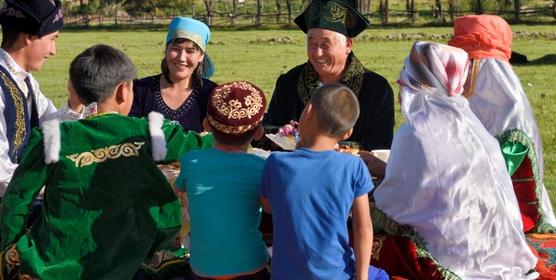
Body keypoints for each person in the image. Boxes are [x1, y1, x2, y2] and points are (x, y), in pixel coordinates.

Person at [0, 45, 216, 280]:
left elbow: (17, 198)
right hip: (137, 257)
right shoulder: (149, 131)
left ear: (77, 92)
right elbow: (204, 145)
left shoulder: (51, 137)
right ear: (124, 91)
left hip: (60, 264)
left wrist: (12, 252)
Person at [371, 41, 539, 280]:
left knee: (362, 239)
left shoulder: (416, 133)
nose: (399, 89)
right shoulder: (471, 126)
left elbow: (393, 206)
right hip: (496, 249)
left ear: (415, 85)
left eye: (404, 80)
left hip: (451, 258)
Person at [0, 0, 83, 261]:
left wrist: (75, 104)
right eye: (52, 40)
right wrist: (50, 184)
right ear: (30, 36)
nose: (54, 51)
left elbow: (52, 129)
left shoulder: (25, 80)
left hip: (17, 207)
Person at [259, 83, 388, 280]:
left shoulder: (276, 164)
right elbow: (363, 227)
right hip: (336, 273)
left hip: (285, 274)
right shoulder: (353, 166)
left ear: (308, 111)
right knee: (382, 276)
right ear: (347, 133)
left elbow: (268, 208)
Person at [448, 15, 556, 233]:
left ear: (485, 67)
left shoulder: (512, 110)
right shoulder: (462, 100)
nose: (460, 69)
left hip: (506, 206)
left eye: (467, 62)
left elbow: (501, 170)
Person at [262, 0, 394, 151]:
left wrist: (322, 145)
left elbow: (380, 144)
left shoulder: (376, 88)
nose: (317, 53)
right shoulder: (289, 82)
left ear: (348, 45)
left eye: (326, 45)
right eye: (312, 44)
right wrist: (283, 137)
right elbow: (265, 135)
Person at [174, 81, 270, 280]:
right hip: (250, 267)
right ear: (259, 131)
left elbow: (179, 189)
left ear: (206, 126)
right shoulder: (261, 168)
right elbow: (270, 208)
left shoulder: (191, 161)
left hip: (201, 269)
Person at [130, 17, 218, 133]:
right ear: (166, 50)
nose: (181, 58)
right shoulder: (140, 90)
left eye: (190, 51)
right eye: (176, 49)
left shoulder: (212, 94)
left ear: (201, 56)